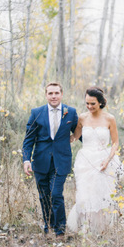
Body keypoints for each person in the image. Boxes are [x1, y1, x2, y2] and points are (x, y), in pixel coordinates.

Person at [23, 82, 79, 237]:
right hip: (40, 161)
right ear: (46, 95)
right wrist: (26, 160)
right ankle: (49, 226)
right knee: (44, 196)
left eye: (56, 93)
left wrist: (96, 147)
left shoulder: (71, 112)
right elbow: (28, 140)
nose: (53, 96)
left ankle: (60, 230)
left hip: (61, 161)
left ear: (61, 94)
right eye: (50, 93)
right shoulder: (37, 113)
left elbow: (79, 134)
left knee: (56, 194)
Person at [66, 87, 120, 234]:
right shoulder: (82, 118)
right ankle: (85, 227)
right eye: (87, 103)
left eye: (93, 104)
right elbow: (74, 137)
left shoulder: (110, 119)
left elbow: (115, 143)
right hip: (85, 161)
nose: (89, 107)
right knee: (84, 194)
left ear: (101, 103)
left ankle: (101, 228)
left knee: (100, 195)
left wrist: (108, 160)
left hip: (103, 161)